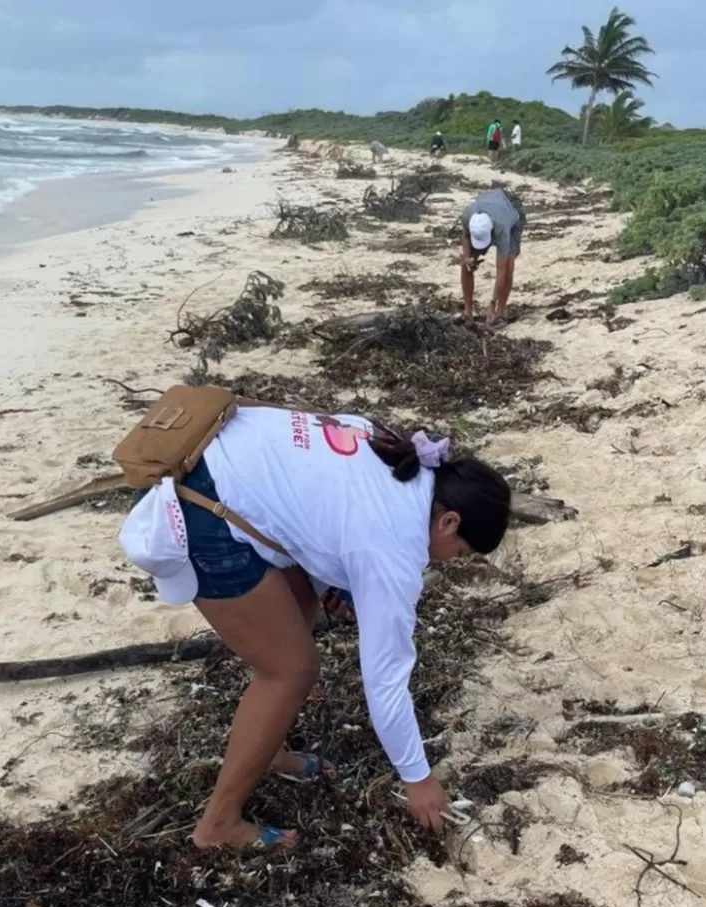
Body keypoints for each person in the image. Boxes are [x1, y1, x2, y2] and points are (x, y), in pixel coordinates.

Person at [119, 409, 511, 851]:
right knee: (290, 670)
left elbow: (319, 505)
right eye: (459, 552)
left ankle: (269, 751)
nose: (451, 561)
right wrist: (417, 778)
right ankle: (218, 825)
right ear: (449, 522)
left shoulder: (395, 454)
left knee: (301, 602)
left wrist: (334, 583)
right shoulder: (394, 547)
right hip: (193, 508)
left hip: (208, 459)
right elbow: (385, 679)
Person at [459, 187, 525, 326]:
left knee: (509, 266)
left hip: (511, 215)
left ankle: (500, 312)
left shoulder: (502, 227)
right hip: (491, 203)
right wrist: (467, 257)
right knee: (465, 265)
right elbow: (465, 236)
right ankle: (468, 311)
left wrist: (492, 304)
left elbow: (501, 270)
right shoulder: (467, 216)